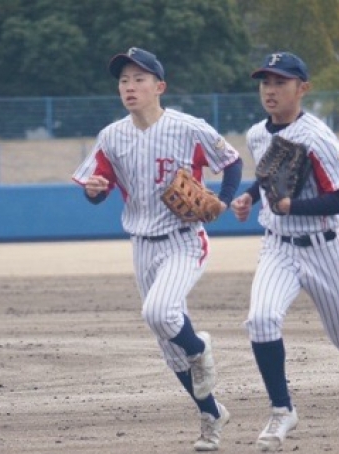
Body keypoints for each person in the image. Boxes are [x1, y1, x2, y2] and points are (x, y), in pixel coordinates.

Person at [72, 47, 243, 451]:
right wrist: (94, 192)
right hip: (142, 247)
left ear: (159, 87)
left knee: (158, 312)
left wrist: (222, 200)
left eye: (139, 79)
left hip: (184, 240)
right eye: (123, 80)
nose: (129, 87)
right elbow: (98, 190)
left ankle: (200, 348)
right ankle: (211, 414)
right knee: (169, 348)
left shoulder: (188, 127)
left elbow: (232, 161)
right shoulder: (111, 136)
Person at [230, 52, 339, 451]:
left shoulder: (318, 137)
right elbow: (269, 178)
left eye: (280, 82)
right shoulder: (256, 134)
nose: (270, 90)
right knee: (261, 319)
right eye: (265, 82)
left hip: (323, 247)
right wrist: (250, 196)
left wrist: (293, 206)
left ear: (302, 88)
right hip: (277, 246)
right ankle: (281, 410)